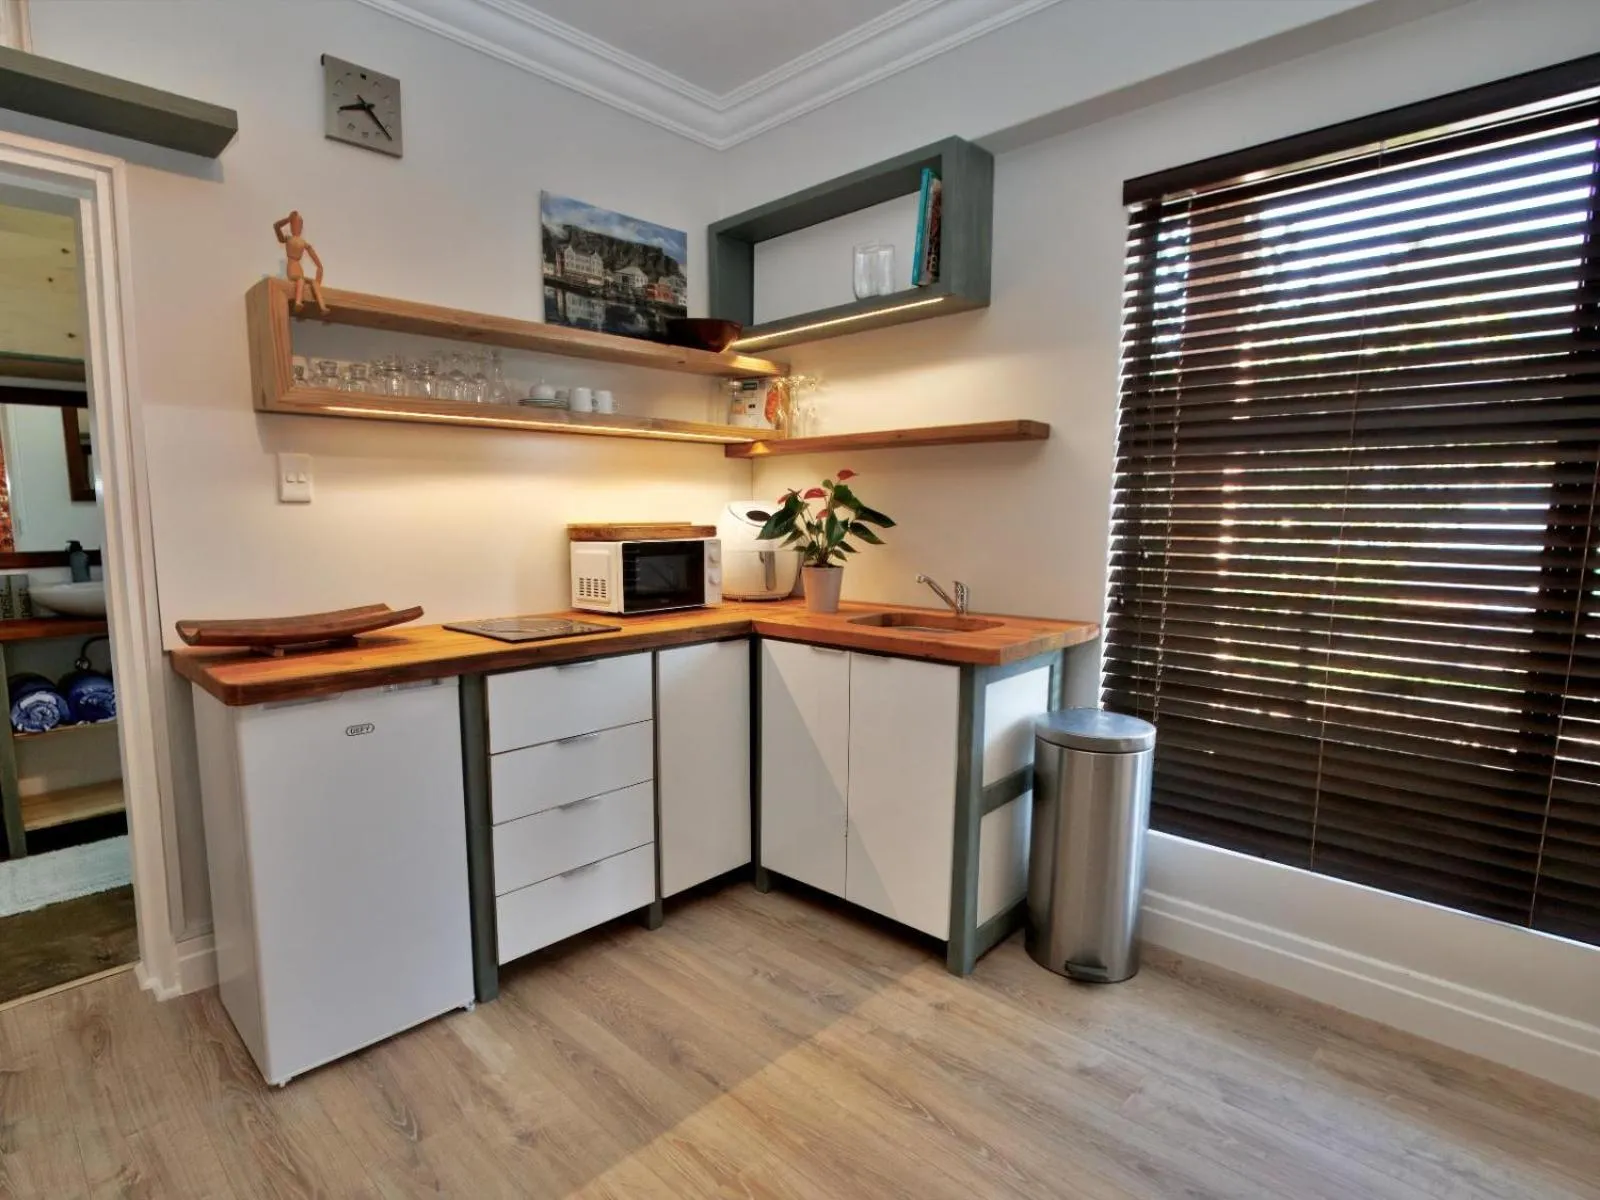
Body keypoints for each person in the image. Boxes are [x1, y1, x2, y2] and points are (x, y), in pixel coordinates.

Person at [273, 210, 327, 313]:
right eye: (294, 224)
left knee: (314, 283)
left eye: (299, 225)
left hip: (299, 269)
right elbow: (276, 226)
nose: (297, 227)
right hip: (292, 267)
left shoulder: (303, 242)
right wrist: (288, 219)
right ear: (291, 225)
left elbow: (315, 259)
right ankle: (298, 302)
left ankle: (322, 306)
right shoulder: (288, 239)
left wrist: (320, 268)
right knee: (300, 280)